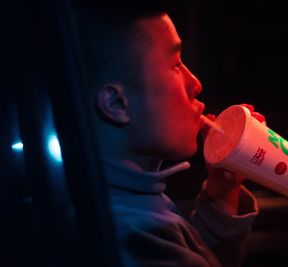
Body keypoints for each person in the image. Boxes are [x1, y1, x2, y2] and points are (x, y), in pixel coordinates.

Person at [74, 1, 265, 266]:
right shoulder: (135, 235)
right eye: (176, 64)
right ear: (117, 104)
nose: (195, 83)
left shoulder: (132, 196)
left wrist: (222, 192)